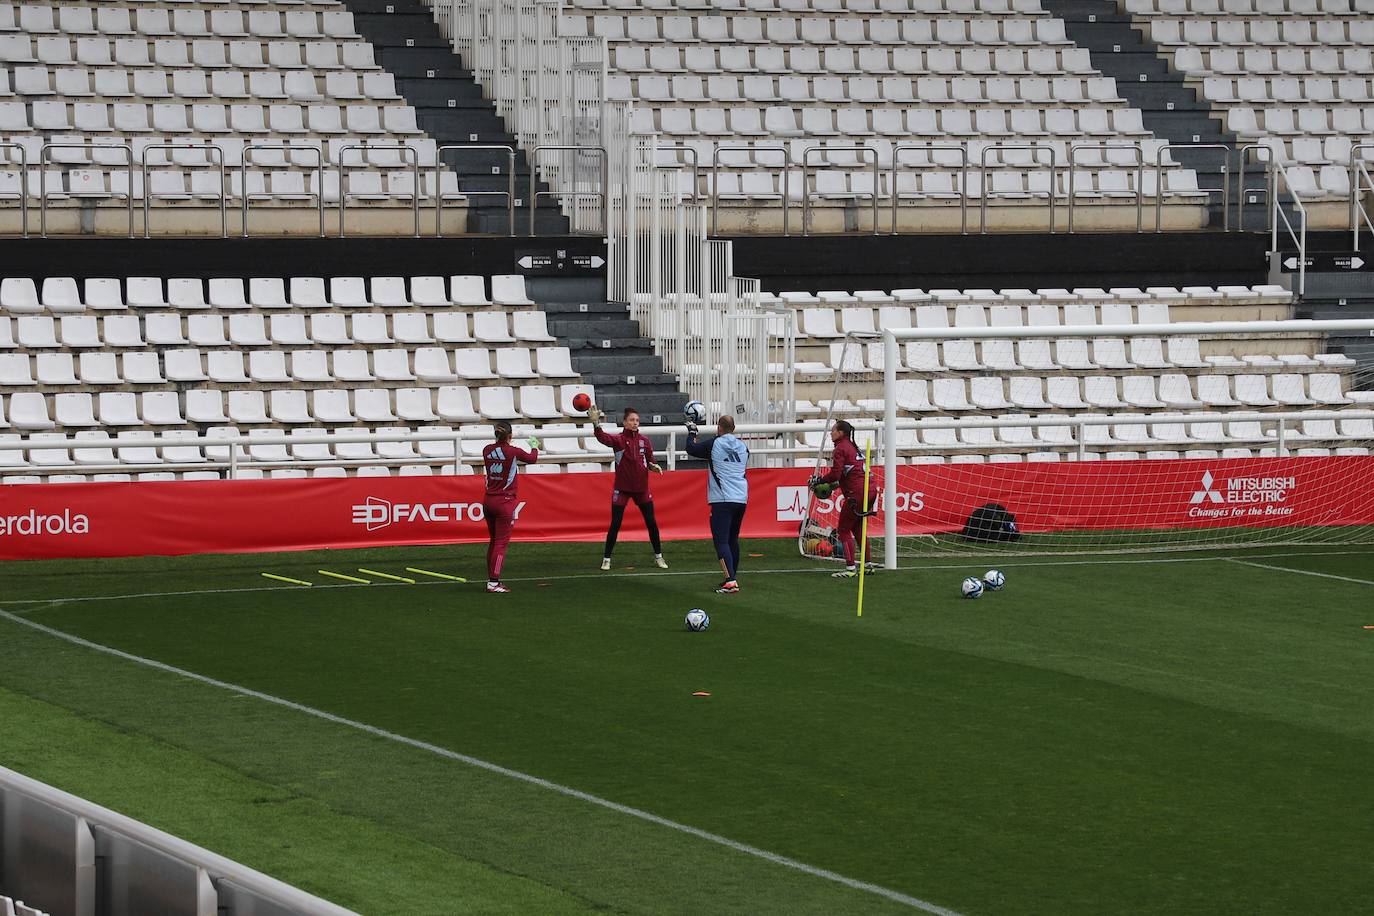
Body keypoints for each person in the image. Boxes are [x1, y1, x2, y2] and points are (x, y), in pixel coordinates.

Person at [589, 405, 667, 571]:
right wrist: (596, 423)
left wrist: (654, 467)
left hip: (642, 489)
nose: (635, 423)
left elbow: (650, 460)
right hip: (622, 488)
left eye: (637, 420)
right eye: (631, 420)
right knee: (615, 524)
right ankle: (606, 559)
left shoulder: (644, 441)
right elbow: (602, 437)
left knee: (651, 523)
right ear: (625, 423)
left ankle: (658, 557)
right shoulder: (618, 440)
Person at [684, 414, 749, 594]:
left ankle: (730, 581)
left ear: (719, 428)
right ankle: (732, 576)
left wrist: (692, 432)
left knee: (721, 541)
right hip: (741, 498)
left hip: (722, 499)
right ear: (733, 429)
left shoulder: (715, 443)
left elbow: (691, 448)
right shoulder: (743, 446)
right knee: (732, 539)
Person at [811, 419, 876, 579]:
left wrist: (819, 480)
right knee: (858, 528)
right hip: (871, 489)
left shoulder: (840, 448)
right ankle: (867, 565)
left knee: (844, 529)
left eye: (833, 430)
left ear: (840, 433)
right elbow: (850, 474)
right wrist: (833, 486)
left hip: (857, 492)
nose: (831, 433)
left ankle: (850, 568)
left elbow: (835, 474)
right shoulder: (853, 447)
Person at [480, 420, 540, 593]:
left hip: (488, 500)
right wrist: (534, 446)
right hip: (504, 502)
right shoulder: (513, 451)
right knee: (501, 543)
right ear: (510, 436)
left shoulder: (487, 450)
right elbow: (532, 459)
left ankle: (491, 578)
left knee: (494, 541)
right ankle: (493, 582)